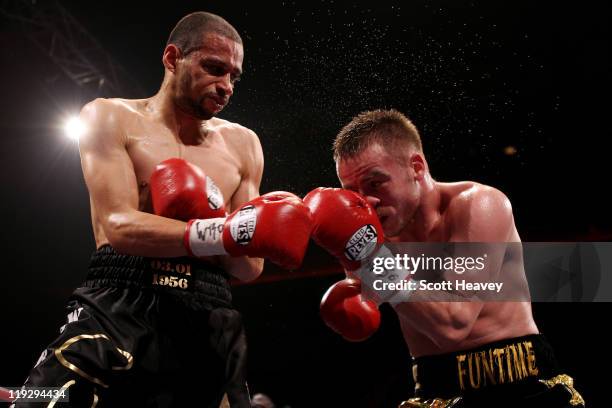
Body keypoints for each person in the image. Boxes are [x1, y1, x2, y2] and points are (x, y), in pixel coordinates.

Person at [11, 12, 313, 408]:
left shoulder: (244, 145)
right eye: (214, 68)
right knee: (35, 402)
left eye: (233, 77)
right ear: (173, 58)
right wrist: (220, 233)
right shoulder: (109, 116)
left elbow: (248, 265)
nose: (226, 87)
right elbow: (118, 226)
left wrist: (256, 234)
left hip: (209, 310)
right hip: (121, 297)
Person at [304, 109, 585, 407]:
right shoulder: (374, 234)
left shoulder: (479, 205)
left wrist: (369, 257)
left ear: (416, 167)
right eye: (353, 193)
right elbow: (361, 311)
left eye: (376, 183)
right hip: (434, 388)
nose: (367, 202)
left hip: (520, 385)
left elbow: (454, 324)